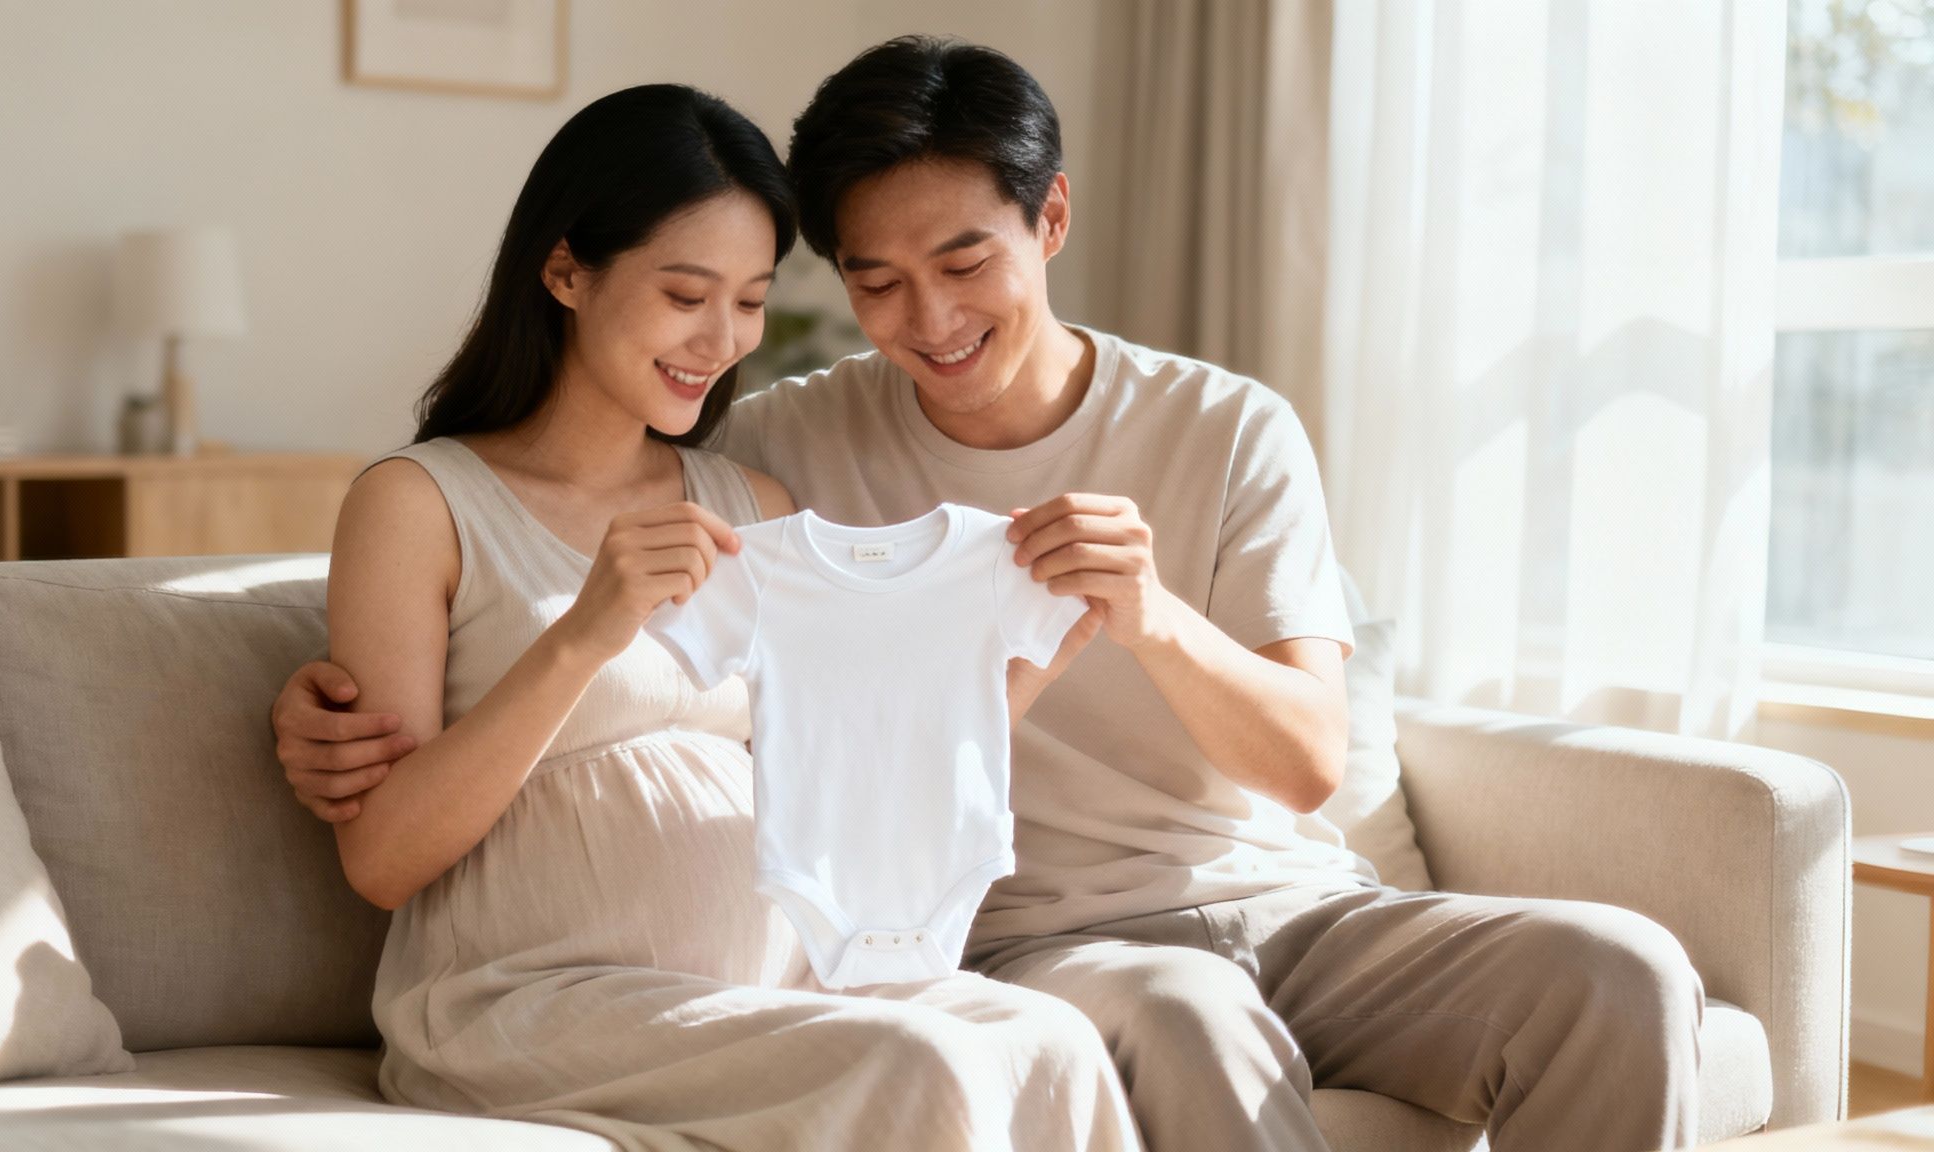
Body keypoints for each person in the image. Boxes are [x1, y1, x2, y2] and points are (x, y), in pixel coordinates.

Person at [280, 41, 1705, 1152]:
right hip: (1014, 937)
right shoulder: (777, 448)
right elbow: (523, 620)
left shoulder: (1210, 430)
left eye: (964, 261)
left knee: (1624, 974)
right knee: (1150, 1025)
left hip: (1249, 905)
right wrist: (318, 683)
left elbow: (1297, 764)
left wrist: (1138, 618)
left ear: (1052, 218)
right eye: (877, 282)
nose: (929, 320)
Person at [310, 81, 1139, 1152]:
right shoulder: (418, 504)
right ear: (564, 270)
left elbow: (848, 774)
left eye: (748, 300)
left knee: (1047, 1042)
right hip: (527, 1000)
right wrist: (582, 636)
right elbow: (380, 861)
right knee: (914, 1064)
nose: (720, 339)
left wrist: (1030, 660)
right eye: (685, 293)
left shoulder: (749, 504)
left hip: (777, 985)